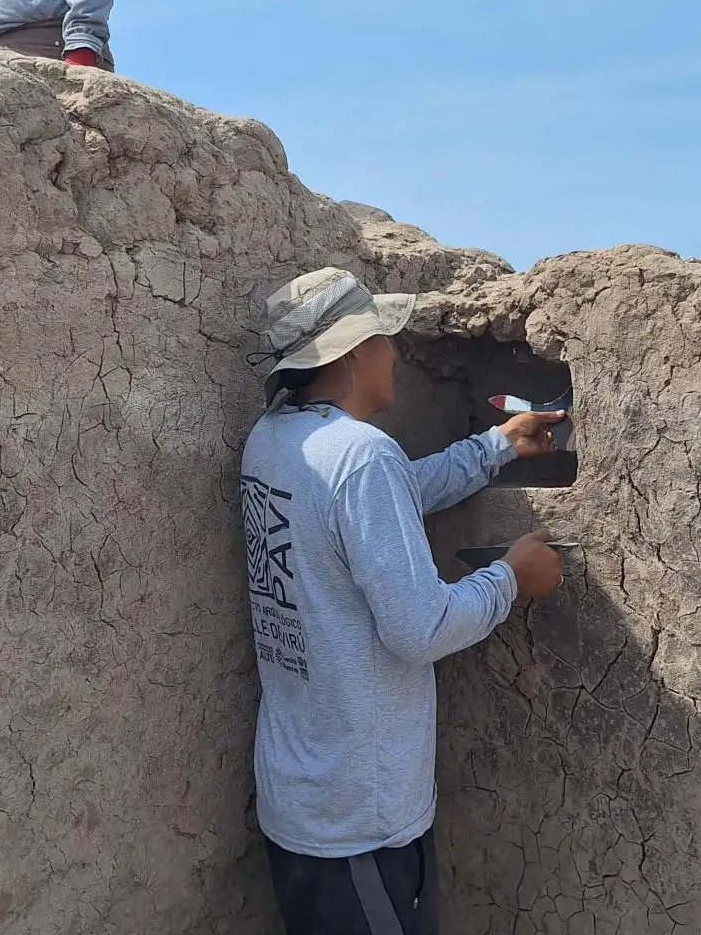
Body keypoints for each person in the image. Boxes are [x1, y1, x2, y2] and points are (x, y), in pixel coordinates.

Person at [241, 267, 568, 934]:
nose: (392, 352)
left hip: (303, 797)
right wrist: (511, 577)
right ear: (355, 352)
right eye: (382, 338)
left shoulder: (274, 441)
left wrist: (495, 447)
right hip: (361, 820)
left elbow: (372, 508)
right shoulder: (360, 457)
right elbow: (420, 629)